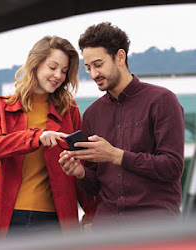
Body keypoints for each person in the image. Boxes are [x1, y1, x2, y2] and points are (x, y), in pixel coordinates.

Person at [59, 22, 185, 228]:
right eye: (88, 67)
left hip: (155, 227)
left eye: (98, 64)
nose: (93, 74)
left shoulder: (162, 100)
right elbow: (94, 186)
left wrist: (116, 155)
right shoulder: (92, 114)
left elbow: (172, 167)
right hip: (108, 229)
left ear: (120, 57)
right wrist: (79, 172)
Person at [0, 36, 97, 237]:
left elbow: (81, 165)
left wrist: (91, 212)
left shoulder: (69, 111)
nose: (58, 75)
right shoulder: (1, 106)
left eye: (63, 71)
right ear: (35, 64)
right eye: (52, 67)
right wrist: (37, 137)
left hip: (55, 222)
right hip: (7, 220)